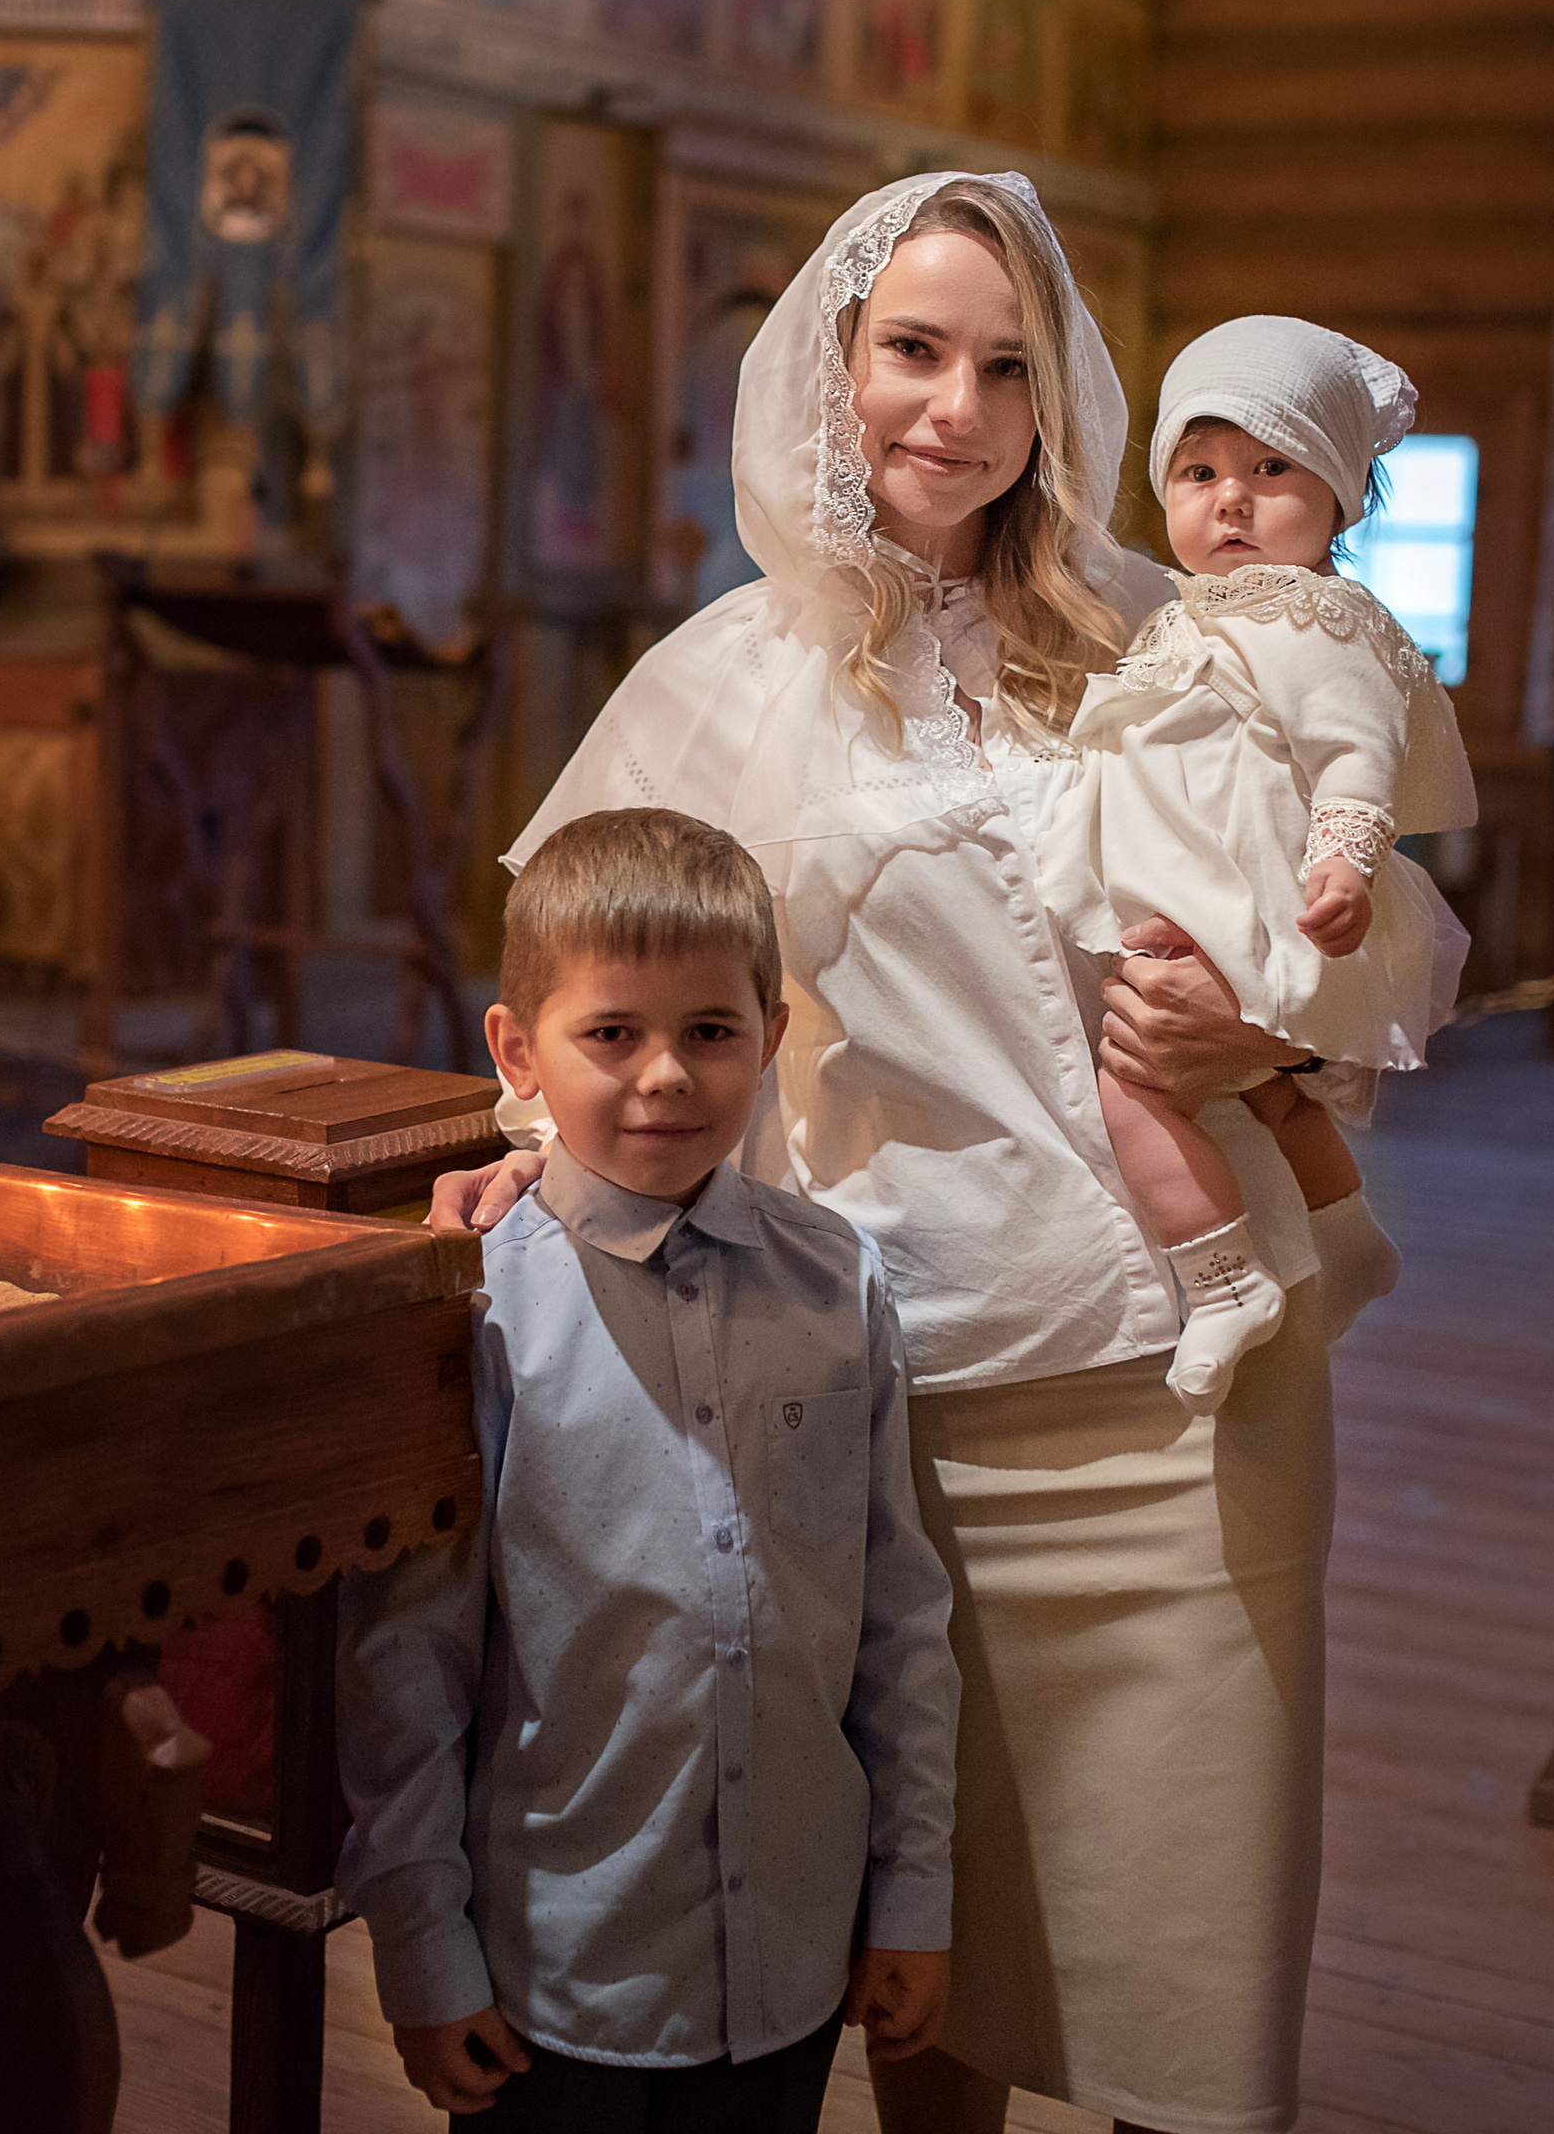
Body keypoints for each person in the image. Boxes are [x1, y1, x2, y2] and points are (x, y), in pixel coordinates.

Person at [434, 172, 1437, 2134]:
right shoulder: (716, 680)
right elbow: (575, 971)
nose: (953, 407)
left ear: (1058, 390)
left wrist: (1269, 1018)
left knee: (1194, 1967)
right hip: (882, 1401)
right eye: (912, 350)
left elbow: (1388, 932)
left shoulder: (1182, 632)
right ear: (831, 363)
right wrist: (518, 1153)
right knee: (921, 1961)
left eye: (1004, 361)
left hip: (1183, 1395)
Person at [338, 806, 961, 2130]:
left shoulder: (837, 1282)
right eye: (612, 1033)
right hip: (559, 1977)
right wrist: (423, 1947)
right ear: (519, 1049)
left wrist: (911, 1892)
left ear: (771, 1042)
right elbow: (409, 1660)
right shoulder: (479, 1312)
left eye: (712, 1032)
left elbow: (900, 1620)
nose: (666, 1075)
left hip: (793, 1959)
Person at [1036, 316, 1476, 1415]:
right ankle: (1348, 1235)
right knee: (1279, 1099)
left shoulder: (1315, 616)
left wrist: (1344, 862)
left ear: (1340, 496)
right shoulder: (1189, 612)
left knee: (1130, 1085)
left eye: (1268, 468)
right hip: (1199, 901)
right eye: (1198, 469)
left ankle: (1220, 1276)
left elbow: (1353, 754)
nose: (1228, 497)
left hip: (1251, 905)